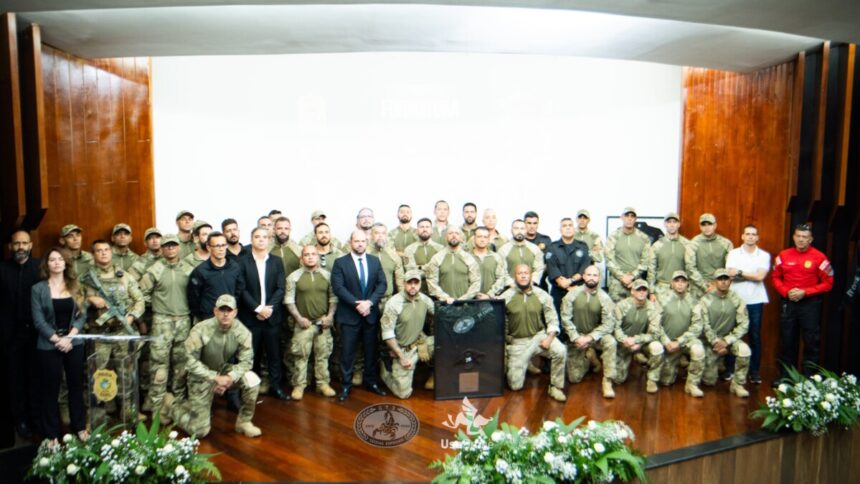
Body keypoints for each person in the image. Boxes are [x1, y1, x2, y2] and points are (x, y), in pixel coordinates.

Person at [162, 294, 262, 438]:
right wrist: (215, 378)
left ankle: (244, 422)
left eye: (229, 310)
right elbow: (190, 361)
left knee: (252, 380)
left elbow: (246, 361)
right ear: (215, 311)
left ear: (235, 312)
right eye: (222, 310)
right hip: (201, 375)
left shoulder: (242, 331)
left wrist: (229, 377)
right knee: (200, 431)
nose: (226, 314)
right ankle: (170, 405)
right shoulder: (201, 329)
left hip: (223, 370)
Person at [80, 240, 145, 421]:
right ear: (93, 254)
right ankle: (95, 415)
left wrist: (131, 317)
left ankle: (129, 412)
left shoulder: (124, 276)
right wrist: (90, 299)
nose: (103, 253)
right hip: (100, 334)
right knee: (97, 374)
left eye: (106, 250)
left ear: (111, 253)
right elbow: (76, 303)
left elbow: (139, 300)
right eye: (99, 250)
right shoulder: (87, 278)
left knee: (127, 373)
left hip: (122, 332)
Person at [30, 247, 88, 445]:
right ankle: (52, 434)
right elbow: (38, 321)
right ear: (47, 264)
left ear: (66, 263)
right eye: (52, 259)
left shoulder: (75, 286)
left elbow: (82, 315)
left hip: (74, 344)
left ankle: (80, 427)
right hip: (48, 345)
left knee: (75, 387)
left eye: (60, 259)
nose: (56, 262)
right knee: (50, 390)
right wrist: (57, 339)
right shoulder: (38, 289)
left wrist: (70, 338)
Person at [138, 234, 194, 414]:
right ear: (161, 249)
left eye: (173, 245)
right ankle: (157, 406)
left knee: (181, 364)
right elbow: (141, 294)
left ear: (178, 247)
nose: (170, 249)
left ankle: (176, 404)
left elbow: (196, 291)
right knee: (158, 366)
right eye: (166, 246)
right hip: (162, 321)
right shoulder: (155, 269)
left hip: (184, 320)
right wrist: (153, 308)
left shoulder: (188, 268)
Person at [330, 230, 388, 401]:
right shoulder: (340, 263)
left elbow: (382, 284)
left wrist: (369, 303)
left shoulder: (374, 261)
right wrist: (358, 304)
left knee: (371, 352)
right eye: (357, 241)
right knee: (347, 353)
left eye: (363, 241)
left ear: (367, 242)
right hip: (349, 316)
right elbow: (338, 288)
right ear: (350, 242)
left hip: (370, 314)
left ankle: (371, 382)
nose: (360, 244)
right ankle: (346, 386)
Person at [772, 223, 833, 379]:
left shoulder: (820, 257)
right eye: (798, 236)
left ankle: (809, 378)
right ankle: (786, 378)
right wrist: (786, 292)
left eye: (804, 237)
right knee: (787, 341)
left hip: (810, 304)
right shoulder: (783, 256)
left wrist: (805, 292)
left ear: (810, 239)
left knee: (811, 342)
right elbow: (775, 277)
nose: (800, 240)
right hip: (789, 302)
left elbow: (828, 283)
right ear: (793, 237)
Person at [501, 264, 567, 402]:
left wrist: (550, 338)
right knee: (515, 386)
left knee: (560, 350)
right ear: (515, 276)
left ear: (531, 276)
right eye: (520, 273)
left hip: (539, 337)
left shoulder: (542, 295)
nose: (523, 275)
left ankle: (555, 387)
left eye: (526, 273)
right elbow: (498, 324)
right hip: (518, 343)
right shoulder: (505, 297)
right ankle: (523, 363)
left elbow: (553, 319)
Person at [238, 228, 288, 400]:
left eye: (264, 237)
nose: (261, 240)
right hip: (251, 317)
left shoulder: (276, 261)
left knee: (274, 355)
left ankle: (276, 387)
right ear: (251, 239)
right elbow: (242, 289)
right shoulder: (242, 261)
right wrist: (258, 309)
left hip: (272, 316)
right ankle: (252, 390)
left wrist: (268, 308)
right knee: (252, 356)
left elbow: (281, 288)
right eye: (257, 237)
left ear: (269, 240)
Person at [0, 230, 42, 438]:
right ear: (10, 247)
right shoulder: (2, 269)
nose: (20, 247)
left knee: (36, 378)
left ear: (31, 245)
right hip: (10, 336)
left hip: (37, 333)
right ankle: (21, 421)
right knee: (15, 380)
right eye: (16, 244)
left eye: (24, 243)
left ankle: (36, 419)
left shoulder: (40, 267)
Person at [285, 245, 338, 399]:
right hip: (303, 324)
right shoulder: (293, 277)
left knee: (323, 355)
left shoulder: (327, 275)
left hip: (323, 323)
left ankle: (323, 384)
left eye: (313, 254)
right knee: (300, 356)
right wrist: (299, 318)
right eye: (306, 254)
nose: (310, 257)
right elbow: (289, 300)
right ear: (302, 258)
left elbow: (333, 298)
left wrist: (330, 316)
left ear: (317, 256)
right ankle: (299, 386)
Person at [560, 265, 616, 398]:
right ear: (584, 276)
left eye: (595, 275)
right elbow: (565, 319)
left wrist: (590, 337)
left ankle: (607, 381)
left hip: (595, 338)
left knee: (611, 342)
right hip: (577, 338)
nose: (591, 278)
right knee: (574, 378)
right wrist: (576, 337)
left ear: (599, 278)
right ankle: (590, 357)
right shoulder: (572, 294)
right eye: (589, 275)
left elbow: (609, 324)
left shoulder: (605, 298)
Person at [725, 224, 770, 384]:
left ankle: (754, 371)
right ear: (742, 236)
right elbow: (729, 274)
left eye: (753, 234)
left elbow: (760, 277)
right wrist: (743, 274)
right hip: (735, 300)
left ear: (757, 237)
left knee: (754, 335)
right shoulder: (733, 253)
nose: (750, 236)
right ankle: (730, 369)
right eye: (747, 234)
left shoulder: (763, 255)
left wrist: (740, 272)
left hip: (755, 301)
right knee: (732, 334)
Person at [380, 270, 436, 398]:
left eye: (416, 283)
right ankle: (385, 368)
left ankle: (433, 375)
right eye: (409, 282)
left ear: (420, 284)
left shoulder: (424, 300)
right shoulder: (394, 303)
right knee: (404, 394)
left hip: (420, 342)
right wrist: (401, 356)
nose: (413, 286)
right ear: (404, 283)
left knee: (443, 345)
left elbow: (439, 314)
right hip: (402, 350)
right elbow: (387, 334)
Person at [696, 269, 751, 397]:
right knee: (709, 381)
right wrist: (716, 342)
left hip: (729, 339)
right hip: (710, 341)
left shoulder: (736, 299)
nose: (723, 282)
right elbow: (704, 325)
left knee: (745, 350)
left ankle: (738, 384)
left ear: (730, 281)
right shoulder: (705, 300)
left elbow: (744, 324)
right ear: (714, 282)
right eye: (720, 279)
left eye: (726, 279)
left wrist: (726, 341)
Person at [653, 271, 705, 397]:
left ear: (687, 284)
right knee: (666, 381)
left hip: (686, 341)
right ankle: (673, 365)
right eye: (677, 281)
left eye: (683, 281)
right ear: (672, 283)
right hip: (668, 343)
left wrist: (680, 341)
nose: (680, 284)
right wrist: (666, 341)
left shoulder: (694, 301)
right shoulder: (662, 299)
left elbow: (697, 326)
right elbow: (655, 323)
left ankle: (692, 384)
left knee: (698, 349)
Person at [608, 279, 664, 395]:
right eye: (638, 289)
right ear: (632, 291)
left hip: (642, 343)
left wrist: (637, 341)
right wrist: (625, 340)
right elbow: (615, 328)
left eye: (644, 290)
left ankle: (652, 379)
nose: (642, 292)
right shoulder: (622, 305)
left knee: (657, 347)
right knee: (618, 379)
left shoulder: (653, 308)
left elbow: (655, 333)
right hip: (624, 343)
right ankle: (636, 357)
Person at [187, 232, 245, 322]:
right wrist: (203, 316)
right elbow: (193, 298)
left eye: (223, 245)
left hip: (230, 317)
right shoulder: (200, 271)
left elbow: (240, 290)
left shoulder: (235, 267)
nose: (221, 249)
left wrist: (232, 309)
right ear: (209, 248)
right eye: (217, 246)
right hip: (208, 318)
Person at [424, 226, 481, 304]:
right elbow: (431, 283)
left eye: (457, 233)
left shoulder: (469, 258)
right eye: (450, 233)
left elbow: (476, 282)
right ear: (446, 237)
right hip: (444, 305)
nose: (454, 235)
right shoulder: (437, 258)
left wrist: (463, 299)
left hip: (465, 304)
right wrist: (445, 298)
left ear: (461, 238)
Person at [545, 218, 591, 313]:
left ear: (574, 229)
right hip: (558, 292)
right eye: (564, 226)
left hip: (578, 290)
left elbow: (585, 268)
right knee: (558, 321)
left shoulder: (583, 246)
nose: (568, 228)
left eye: (570, 225)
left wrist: (571, 281)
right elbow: (552, 268)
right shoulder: (552, 247)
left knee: (578, 321)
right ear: (560, 230)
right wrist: (564, 285)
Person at [605, 207, 650, 302]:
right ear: (621, 217)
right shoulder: (613, 237)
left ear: (635, 219)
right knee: (616, 313)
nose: (629, 219)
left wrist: (632, 277)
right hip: (617, 283)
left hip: (636, 282)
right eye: (627, 216)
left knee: (635, 313)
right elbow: (609, 260)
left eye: (632, 216)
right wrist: (622, 277)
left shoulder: (644, 238)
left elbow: (645, 261)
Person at [647, 212, 693, 303]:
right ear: (665, 224)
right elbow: (651, 270)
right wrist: (651, 292)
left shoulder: (687, 244)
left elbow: (691, 269)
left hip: (681, 289)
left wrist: (689, 289)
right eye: (669, 222)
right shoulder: (657, 246)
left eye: (674, 222)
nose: (672, 225)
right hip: (662, 289)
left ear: (679, 224)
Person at [687, 213, 733, 298]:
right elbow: (690, 268)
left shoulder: (726, 243)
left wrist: (718, 285)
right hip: (699, 289)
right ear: (700, 226)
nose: (707, 227)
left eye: (710, 224)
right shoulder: (693, 244)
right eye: (703, 225)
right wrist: (705, 286)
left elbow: (730, 268)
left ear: (715, 225)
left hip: (721, 287)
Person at [404, 218, 444, 293]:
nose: (424, 229)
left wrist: (420, 267)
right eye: (421, 227)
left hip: (438, 291)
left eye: (427, 227)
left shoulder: (440, 249)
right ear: (417, 231)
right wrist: (431, 270)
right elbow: (411, 272)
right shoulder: (409, 249)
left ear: (431, 231)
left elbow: (442, 271)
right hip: (417, 291)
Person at [471, 226, 510, 299]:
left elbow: (501, 278)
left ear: (489, 239)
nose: (482, 240)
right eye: (479, 236)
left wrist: (489, 295)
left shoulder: (497, 257)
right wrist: (471, 294)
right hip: (469, 301)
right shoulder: (466, 257)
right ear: (474, 238)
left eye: (485, 237)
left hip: (490, 301)